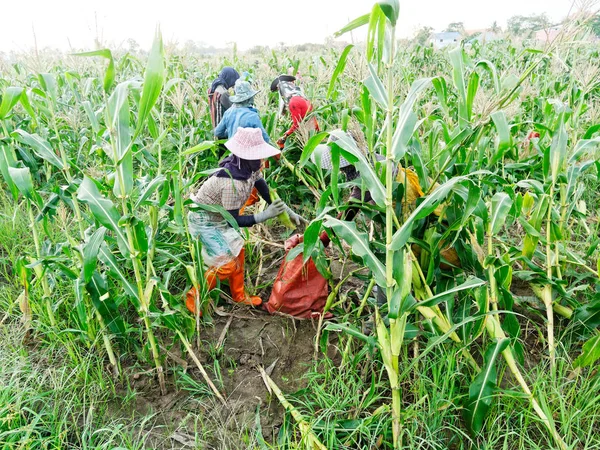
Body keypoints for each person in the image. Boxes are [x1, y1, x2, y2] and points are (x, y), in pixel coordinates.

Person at [185, 127, 305, 314]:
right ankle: (194, 295)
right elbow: (234, 221)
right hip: (205, 220)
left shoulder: (248, 168)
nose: (263, 160)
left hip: (221, 217)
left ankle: (239, 295)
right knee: (226, 265)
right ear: (247, 157)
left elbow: (265, 192)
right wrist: (265, 215)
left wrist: (288, 212)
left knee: (238, 250)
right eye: (260, 156)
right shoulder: (232, 183)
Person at [270, 74, 319, 149]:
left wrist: (286, 134)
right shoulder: (301, 96)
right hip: (314, 131)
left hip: (308, 132)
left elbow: (297, 123)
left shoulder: (293, 101)